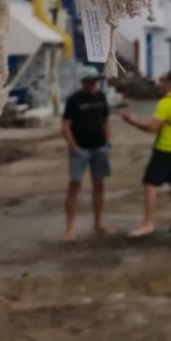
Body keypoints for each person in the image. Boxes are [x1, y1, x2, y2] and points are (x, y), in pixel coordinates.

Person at [120, 69, 171, 237]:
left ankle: (148, 223)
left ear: (169, 84)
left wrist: (131, 120)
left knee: (150, 183)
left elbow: (152, 127)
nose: (159, 83)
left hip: (164, 147)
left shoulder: (166, 103)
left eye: (162, 80)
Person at [62, 65, 113, 241]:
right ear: (83, 81)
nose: (93, 85)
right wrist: (73, 146)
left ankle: (98, 222)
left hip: (99, 147)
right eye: (90, 81)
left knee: (99, 185)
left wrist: (108, 140)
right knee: (74, 186)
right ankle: (70, 228)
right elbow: (66, 125)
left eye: (95, 81)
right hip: (81, 149)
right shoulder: (74, 100)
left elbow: (105, 120)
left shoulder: (101, 97)